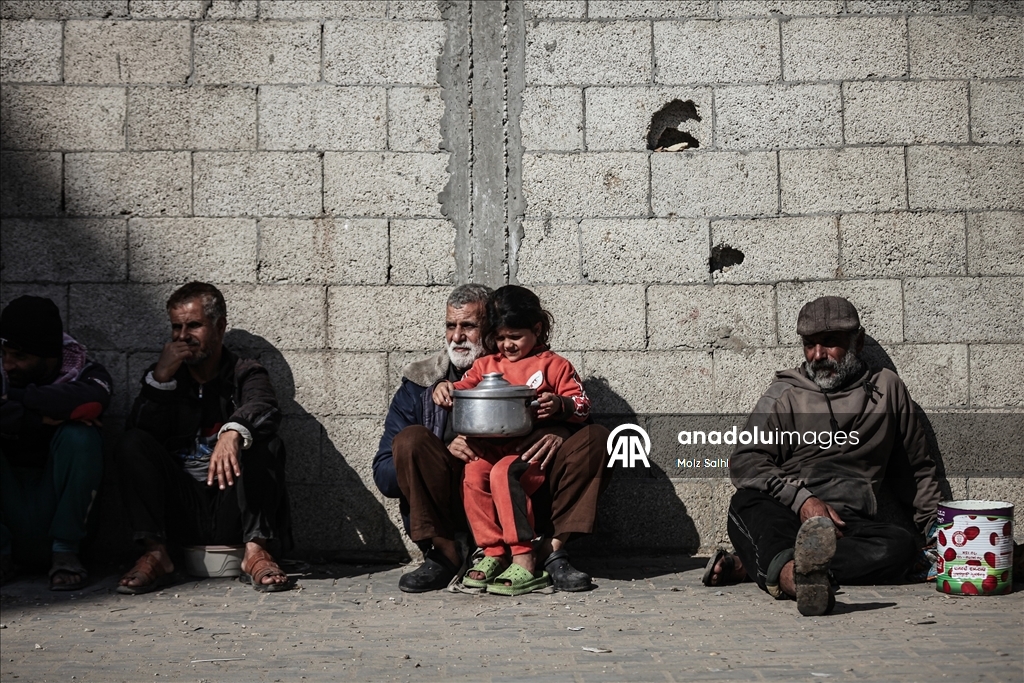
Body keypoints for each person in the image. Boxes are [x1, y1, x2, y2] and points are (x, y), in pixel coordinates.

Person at [704, 296, 942, 616]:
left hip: (847, 528)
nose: (818, 355)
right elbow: (746, 462)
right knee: (746, 504)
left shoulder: (888, 390)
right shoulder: (785, 394)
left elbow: (915, 471)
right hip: (786, 514)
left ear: (857, 341)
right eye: (810, 344)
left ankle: (761, 565)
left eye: (830, 343)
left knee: (899, 546)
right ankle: (796, 579)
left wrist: (940, 532)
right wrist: (802, 500)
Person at [373, 284, 609, 594]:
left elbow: (580, 412)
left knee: (596, 438)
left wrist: (559, 428)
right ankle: (447, 554)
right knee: (414, 442)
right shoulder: (423, 385)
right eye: (450, 326)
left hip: (527, 484)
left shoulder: (548, 365)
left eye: (468, 326)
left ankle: (547, 552)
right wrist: (441, 451)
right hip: (458, 500)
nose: (457, 337)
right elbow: (385, 477)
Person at [115, 282, 291, 594]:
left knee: (268, 443)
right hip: (181, 510)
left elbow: (264, 407)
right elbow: (139, 428)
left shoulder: (244, 372)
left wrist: (234, 432)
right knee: (132, 443)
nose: (183, 336)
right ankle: (156, 554)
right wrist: (160, 381)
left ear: (220, 327)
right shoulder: (163, 377)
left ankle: (255, 553)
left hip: (230, 506)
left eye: (193, 326)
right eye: (176, 327)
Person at [433, 285, 591, 595]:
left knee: (504, 474)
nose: (507, 345)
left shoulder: (555, 365)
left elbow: (583, 405)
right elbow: (464, 389)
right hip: (491, 447)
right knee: (475, 473)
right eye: (501, 337)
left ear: (537, 329)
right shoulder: (486, 366)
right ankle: (492, 552)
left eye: (515, 336)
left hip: (528, 451)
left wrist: (561, 404)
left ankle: (524, 557)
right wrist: (445, 388)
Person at [0, 295, 112, 590]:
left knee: (81, 435)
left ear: (50, 357)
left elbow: (92, 402)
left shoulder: (86, 372)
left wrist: (16, 399)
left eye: (20, 357)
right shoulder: (3, 371)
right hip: (9, 506)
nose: (8, 365)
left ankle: (65, 551)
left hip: (58, 519)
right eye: (4, 354)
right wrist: (37, 419)